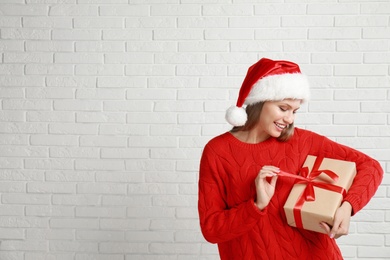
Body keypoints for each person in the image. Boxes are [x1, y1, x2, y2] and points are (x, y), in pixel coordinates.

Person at [198, 58, 383, 259]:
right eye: (283, 108)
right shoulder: (217, 152)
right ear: (258, 103)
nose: (290, 119)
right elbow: (211, 230)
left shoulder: (304, 141)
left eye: (294, 111)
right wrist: (256, 205)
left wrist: (347, 206)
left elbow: (370, 166)